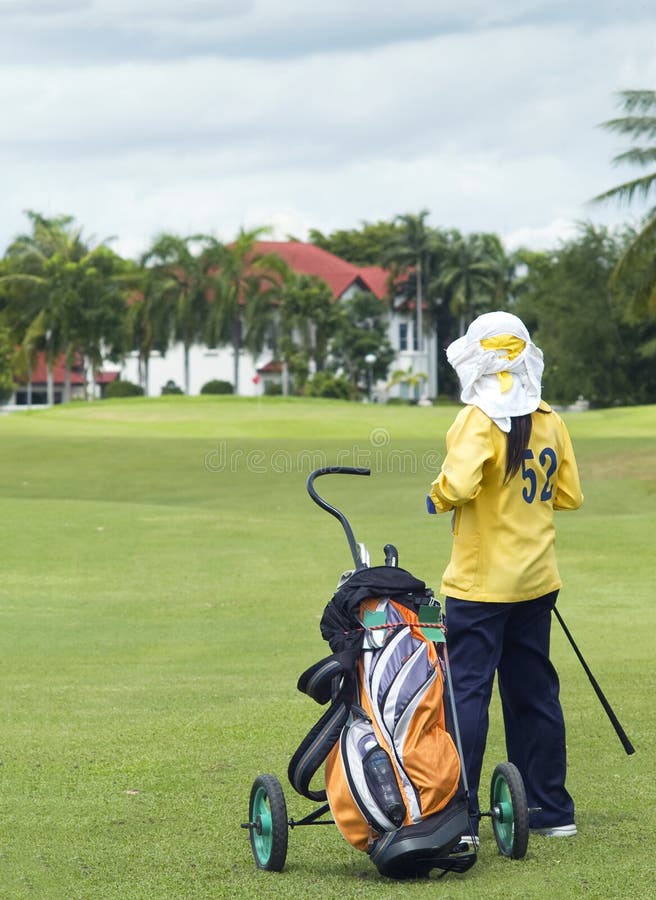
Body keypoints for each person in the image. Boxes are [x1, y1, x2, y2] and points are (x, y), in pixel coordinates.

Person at [427, 311, 583, 842]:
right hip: (537, 581)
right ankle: (550, 810)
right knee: (534, 693)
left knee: (467, 693)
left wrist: (437, 496)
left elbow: (460, 481)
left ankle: (461, 818)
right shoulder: (550, 419)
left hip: (479, 586)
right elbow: (569, 495)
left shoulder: (476, 419)